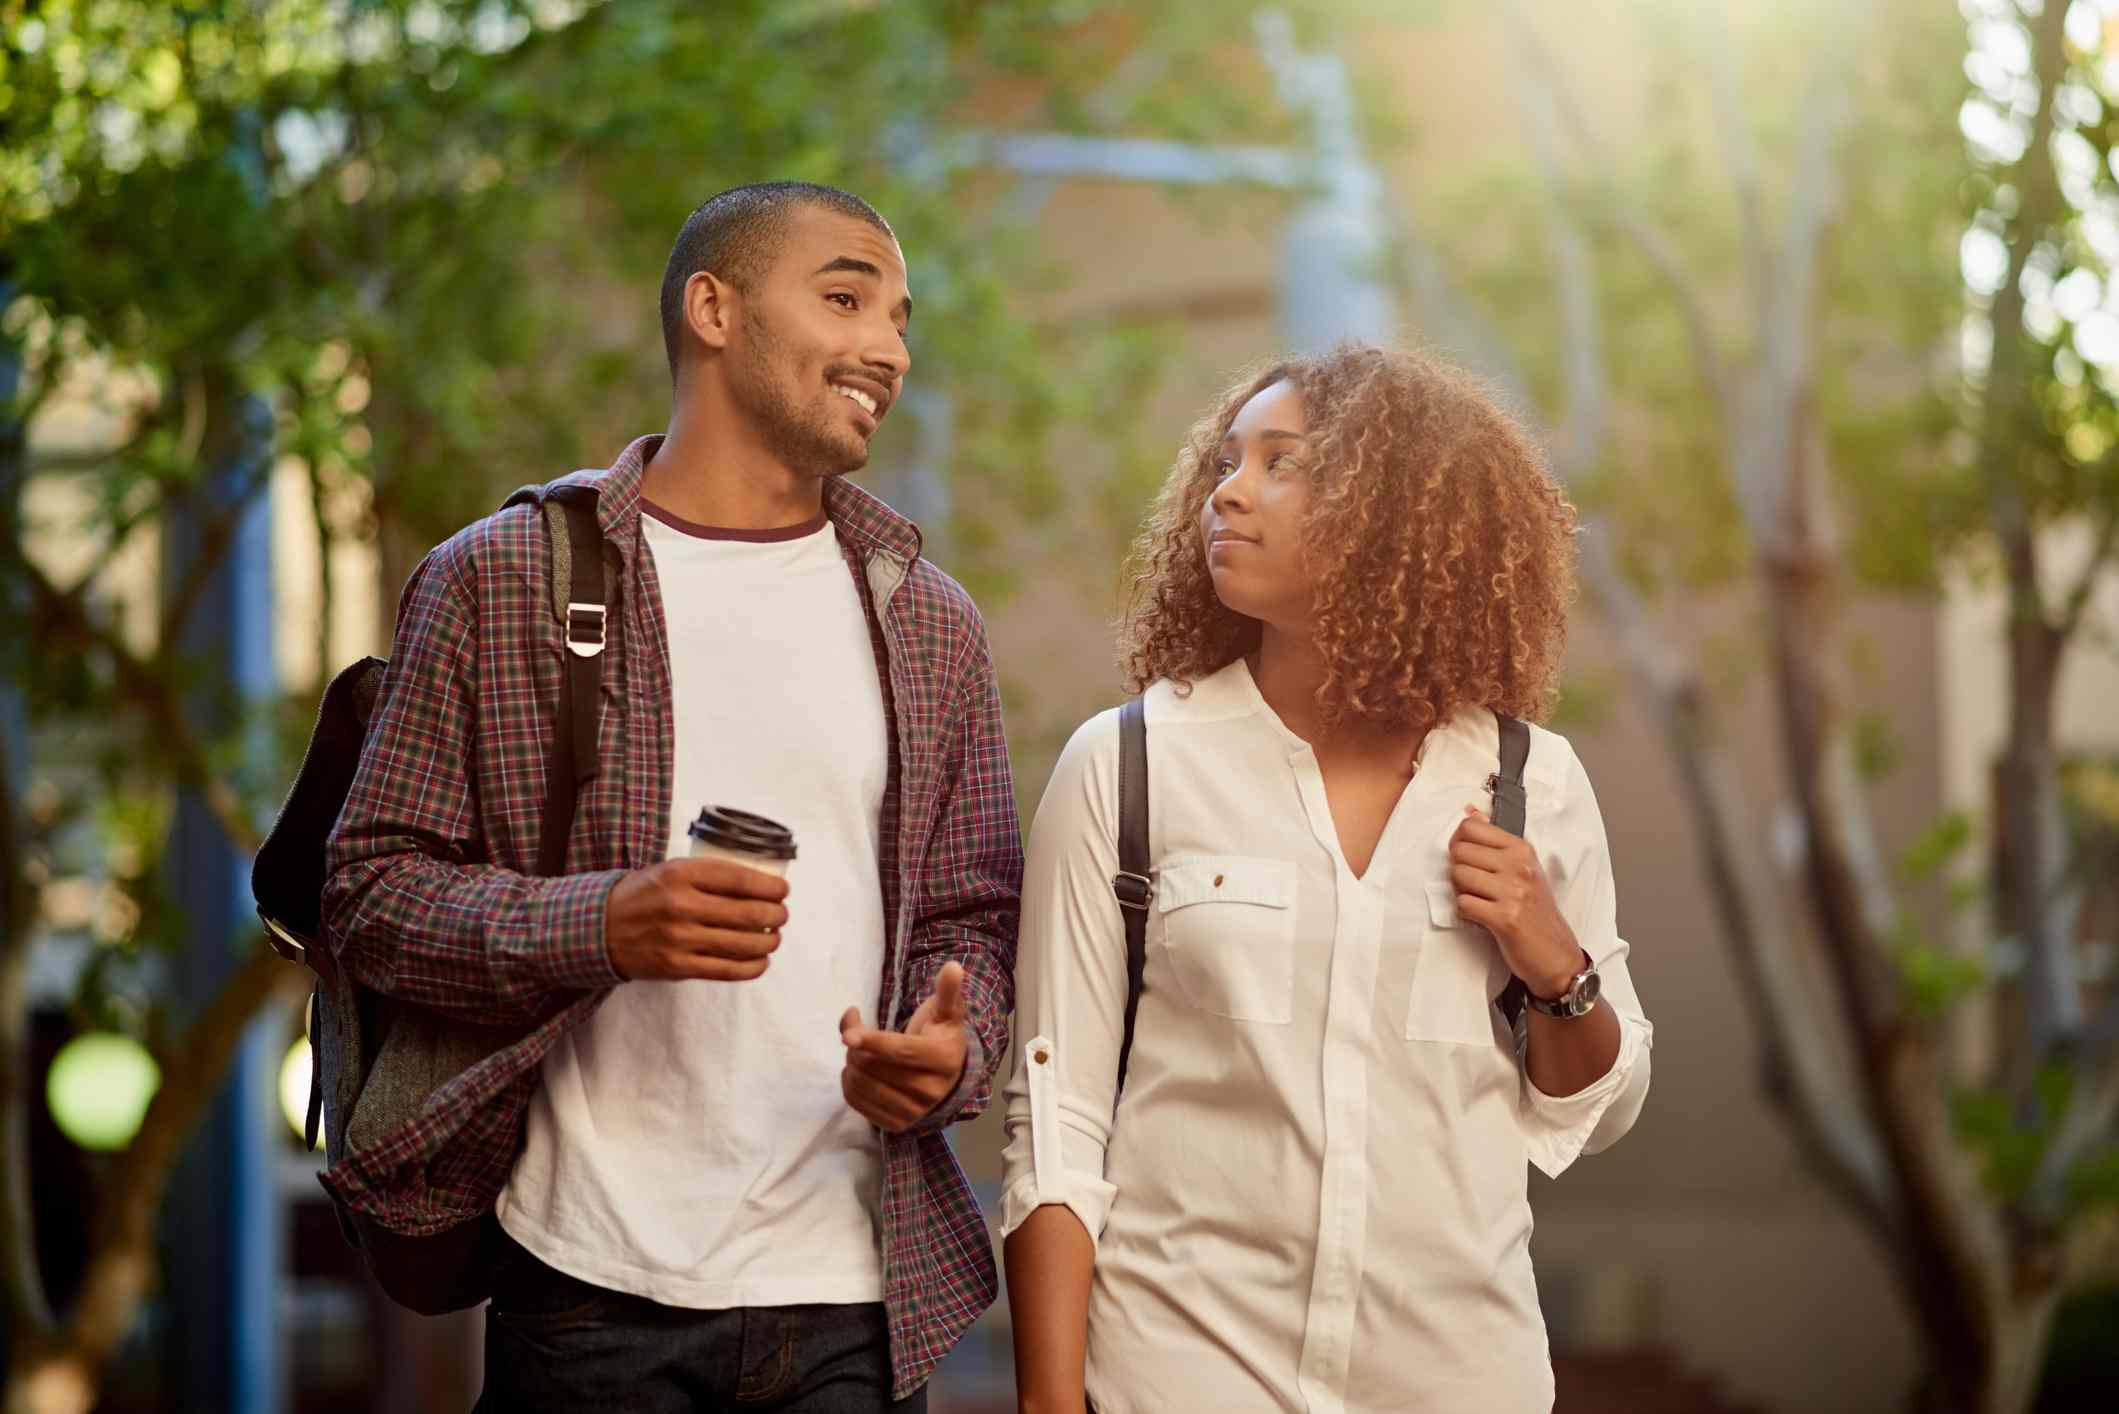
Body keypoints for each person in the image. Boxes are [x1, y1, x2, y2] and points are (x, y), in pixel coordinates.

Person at [323, 182, 1020, 1412]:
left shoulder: (929, 621)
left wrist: (947, 1053)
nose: (890, 349)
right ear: (713, 307)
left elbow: (974, 923)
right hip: (590, 1292)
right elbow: (369, 895)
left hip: (856, 1300)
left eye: (903, 319)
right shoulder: (503, 580)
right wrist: (599, 924)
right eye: (847, 296)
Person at [1000, 345, 1652, 1414]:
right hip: (1180, 1373)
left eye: (1280, 464)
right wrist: (1050, 1401)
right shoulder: (1129, 765)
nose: (1229, 489)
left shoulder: (1529, 783)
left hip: (1456, 1379)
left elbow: (1598, 1103)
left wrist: (1551, 957)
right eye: (1225, 460)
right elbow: (1059, 1118)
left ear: (1394, 516)